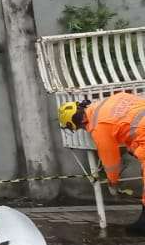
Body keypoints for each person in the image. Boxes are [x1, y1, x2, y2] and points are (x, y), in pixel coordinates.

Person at [59, 94, 145, 235]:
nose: (83, 129)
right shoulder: (108, 102)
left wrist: (113, 182)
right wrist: (134, 148)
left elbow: (111, 161)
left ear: (75, 122)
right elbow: (130, 122)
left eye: (79, 127)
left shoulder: (99, 127)